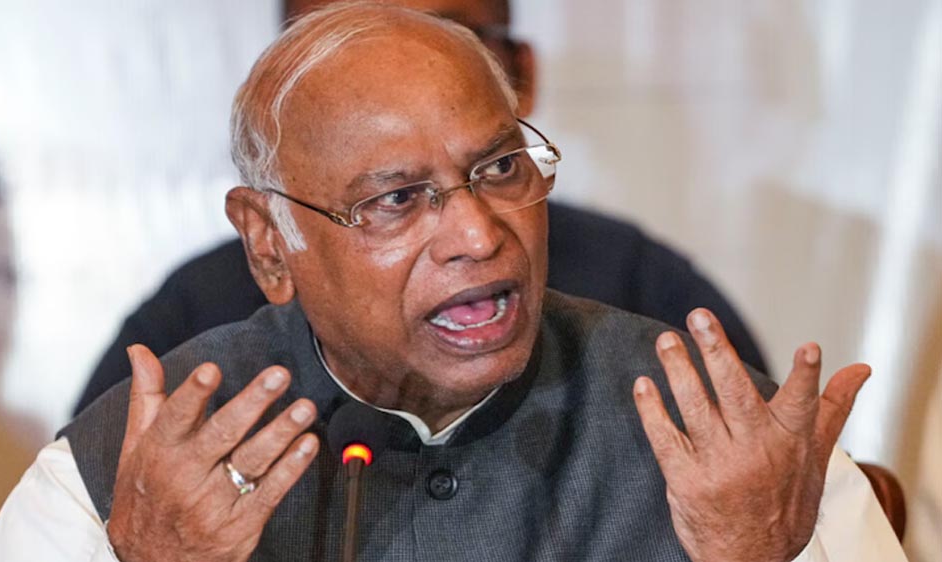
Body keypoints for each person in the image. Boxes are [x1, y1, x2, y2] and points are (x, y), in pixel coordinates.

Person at [0, 4, 904, 561]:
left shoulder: (729, 443)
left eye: (499, 169)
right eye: (395, 200)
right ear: (269, 244)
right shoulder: (123, 477)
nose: (477, 234)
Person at [72, 0, 768, 416]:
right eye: (395, 198)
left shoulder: (650, 302)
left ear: (517, 75)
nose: (476, 237)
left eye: (441, 35)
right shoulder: (189, 334)